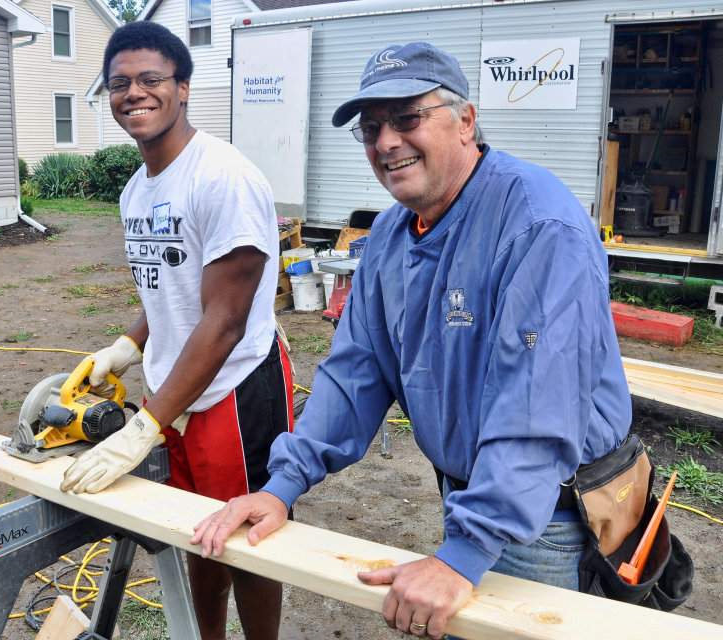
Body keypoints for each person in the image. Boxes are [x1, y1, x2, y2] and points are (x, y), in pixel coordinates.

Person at [192, 41, 632, 639]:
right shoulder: (393, 235)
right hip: (475, 497)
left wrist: (464, 553)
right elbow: (355, 372)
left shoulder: (537, 225)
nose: (387, 142)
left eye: (408, 119)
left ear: (466, 121)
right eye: (372, 128)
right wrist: (280, 487)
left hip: (549, 514)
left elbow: (537, 404)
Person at [59, 21, 293, 640]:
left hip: (233, 390)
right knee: (197, 533)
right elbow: (169, 284)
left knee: (247, 538)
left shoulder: (223, 177)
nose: (133, 93)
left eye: (150, 80)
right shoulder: (137, 189)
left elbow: (225, 319)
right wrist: (129, 345)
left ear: (183, 88)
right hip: (176, 390)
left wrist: (145, 424)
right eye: (119, 84)